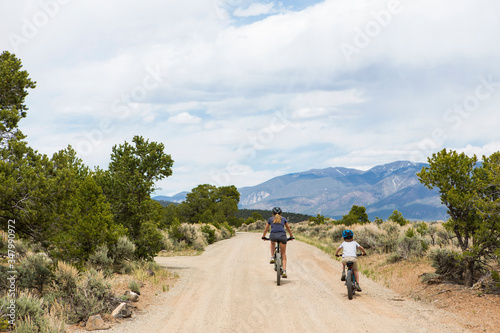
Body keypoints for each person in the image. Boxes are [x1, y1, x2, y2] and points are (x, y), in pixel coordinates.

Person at [262, 207, 294, 278]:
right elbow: (288, 229)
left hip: (273, 236)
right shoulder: (284, 219)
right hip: (282, 236)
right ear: (280, 213)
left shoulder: (270, 219)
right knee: (283, 254)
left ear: (272, 213)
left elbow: (266, 229)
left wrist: (263, 236)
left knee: (272, 242)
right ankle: (284, 271)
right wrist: (291, 236)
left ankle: (272, 257)